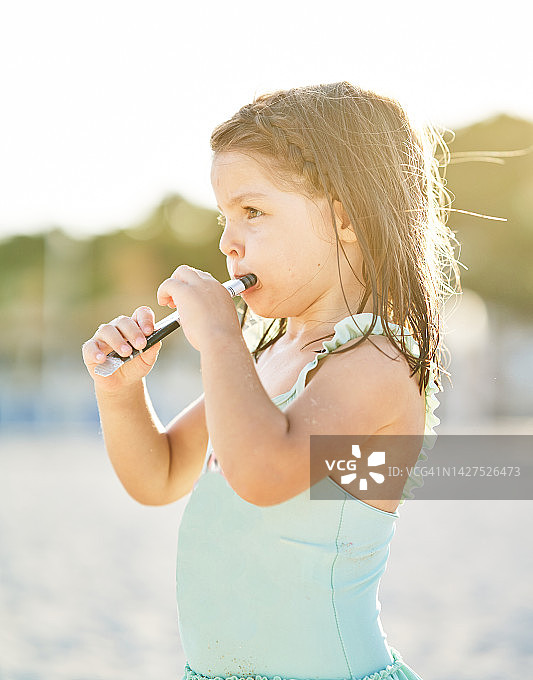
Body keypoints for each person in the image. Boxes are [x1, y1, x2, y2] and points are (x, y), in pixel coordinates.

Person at [82, 81, 460, 680]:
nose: (227, 243)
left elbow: (263, 474)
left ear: (346, 220)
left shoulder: (376, 365)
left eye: (252, 212)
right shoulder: (270, 359)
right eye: (224, 217)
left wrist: (223, 340)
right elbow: (158, 475)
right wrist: (122, 392)